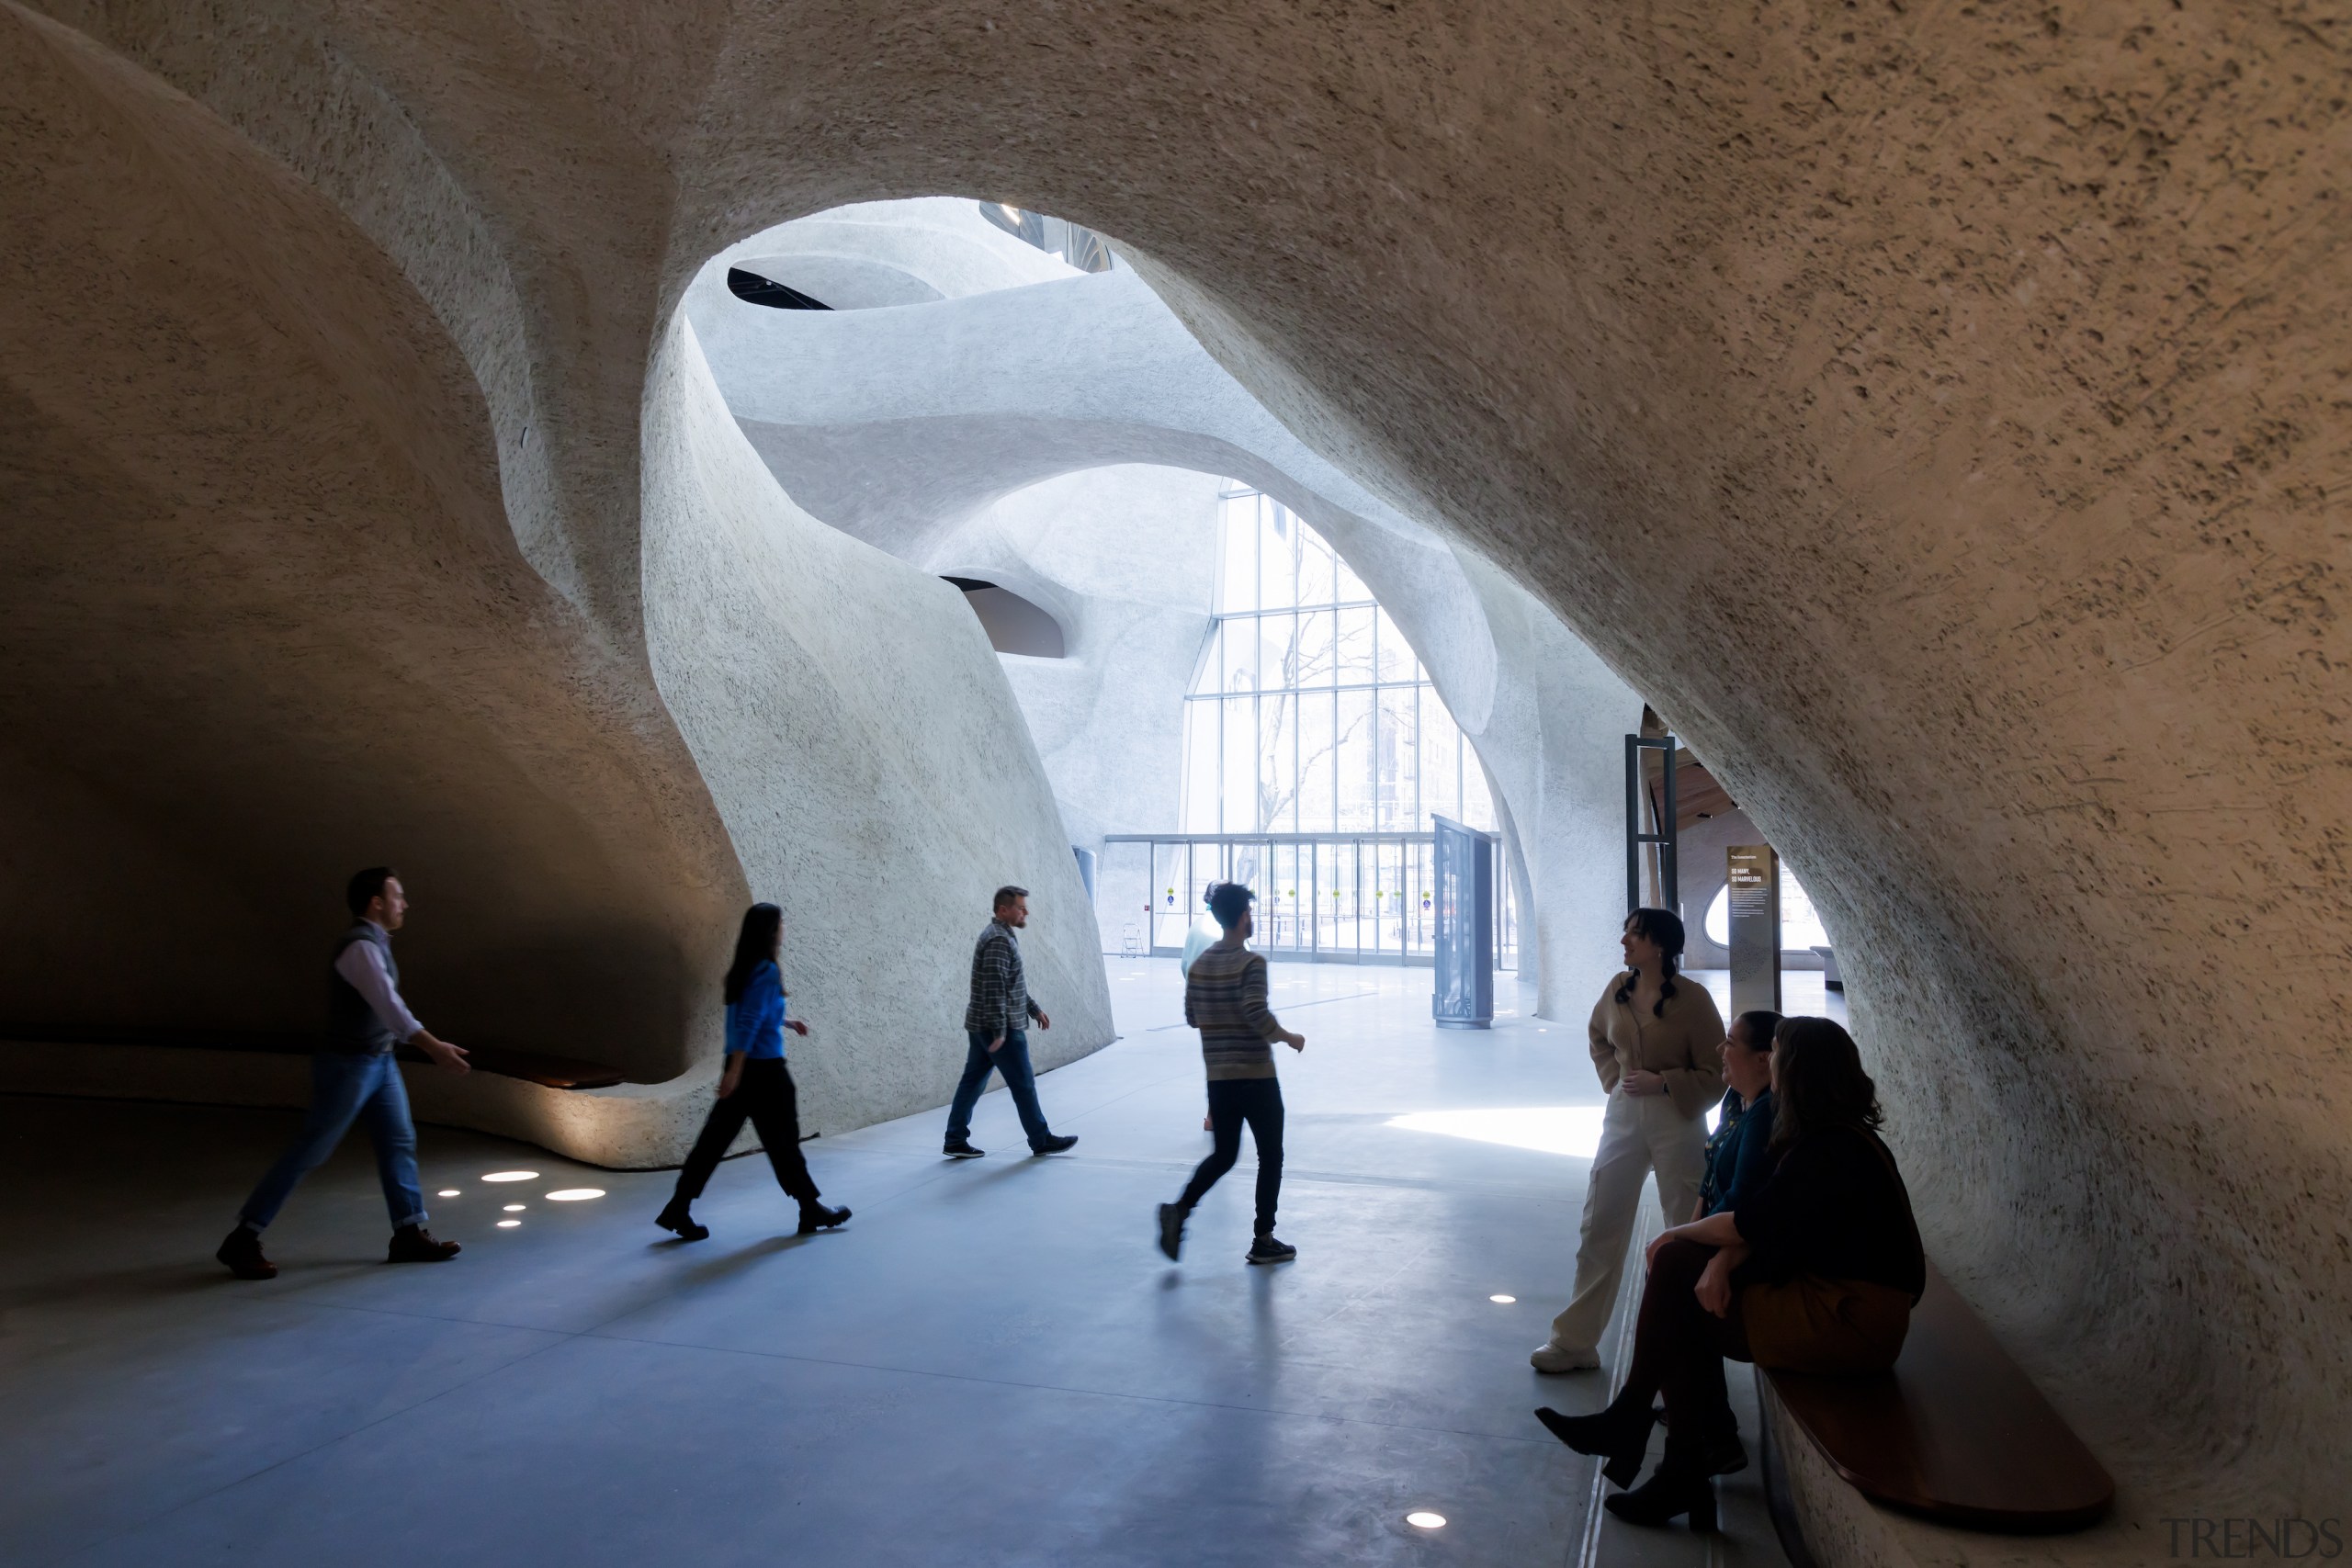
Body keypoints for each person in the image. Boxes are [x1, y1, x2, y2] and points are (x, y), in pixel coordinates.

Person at [1534, 1017, 1926, 1531]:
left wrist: (1676, 1238)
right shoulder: (1834, 1137)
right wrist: (1708, 1253)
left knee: (1678, 1285)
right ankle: (1666, 1451)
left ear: (1798, 1070)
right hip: (1843, 1305)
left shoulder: (1828, 1149)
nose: (1773, 1066)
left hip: (1848, 1321)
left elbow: (1750, 1219)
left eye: (1780, 1055)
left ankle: (1661, 1447)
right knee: (1681, 1279)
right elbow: (1773, 1226)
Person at [216, 868, 471, 1280]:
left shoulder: (377, 944)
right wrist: (434, 1047)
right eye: (398, 896)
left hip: (379, 1061)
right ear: (376, 902)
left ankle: (407, 1232)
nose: (404, 904)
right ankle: (243, 1238)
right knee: (312, 1148)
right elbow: (391, 1008)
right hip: (349, 1065)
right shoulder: (360, 949)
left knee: (398, 1140)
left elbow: (387, 1014)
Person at [1531, 908, 1726, 1372]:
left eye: (1634, 935)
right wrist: (1615, 1082)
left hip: (1677, 1118)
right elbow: (1598, 1036)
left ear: (1659, 945)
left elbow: (1717, 1070)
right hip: (1622, 1118)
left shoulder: (1694, 1001)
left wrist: (1664, 1083)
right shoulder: (1617, 990)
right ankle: (1574, 1342)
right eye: (1626, 933)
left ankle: (1689, 1357)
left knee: (1684, 1230)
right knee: (1600, 1223)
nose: (1624, 942)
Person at [656, 903, 850, 1240]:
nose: (785, 928)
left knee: (712, 1143)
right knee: (784, 1143)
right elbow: (748, 1023)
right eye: (782, 923)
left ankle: (678, 1208)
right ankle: (810, 1209)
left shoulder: (745, 970)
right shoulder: (767, 970)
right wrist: (736, 1072)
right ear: (771, 931)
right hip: (764, 1072)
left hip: (744, 1067)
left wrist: (787, 1022)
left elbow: (753, 1015)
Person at [1156, 882, 1306, 1265]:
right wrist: (1289, 1038)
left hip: (1219, 1078)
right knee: (1270, 1155)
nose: (1251, 919)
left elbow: (1192, 1018)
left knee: (1223, 1154)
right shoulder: (1251, 963)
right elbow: (1256, 1013)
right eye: (1250, 913)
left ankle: (1180, 1209)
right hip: (1256, 1076)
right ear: (1242, 917)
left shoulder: (1201, 965)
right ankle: (1264, 1238)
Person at [944, 886, 1080, 1158]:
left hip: (985, 1025)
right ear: (1003, 910)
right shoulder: (998, 940)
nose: (1025, 911)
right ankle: (1041, 1139)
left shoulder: (1001, 936)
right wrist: (1000, 1030)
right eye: (1020, 907)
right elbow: (995, 988)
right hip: (1000, 1028)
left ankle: (955, 1139)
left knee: (972, 1083)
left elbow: (1009, 983)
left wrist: (1033, 1009)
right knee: (1023, 1083)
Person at [1693, 1010, 1781, 1220]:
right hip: (1711, 1228)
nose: (1719, 1049)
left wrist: (1689, 1238)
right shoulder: (1735, 1098)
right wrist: (1686, 1230)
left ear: (1763, 1058)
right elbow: (1710, 1177)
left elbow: (1740, 1200)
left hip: (1727, 1234)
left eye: (1730, 1043)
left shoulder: (1765, 1113)